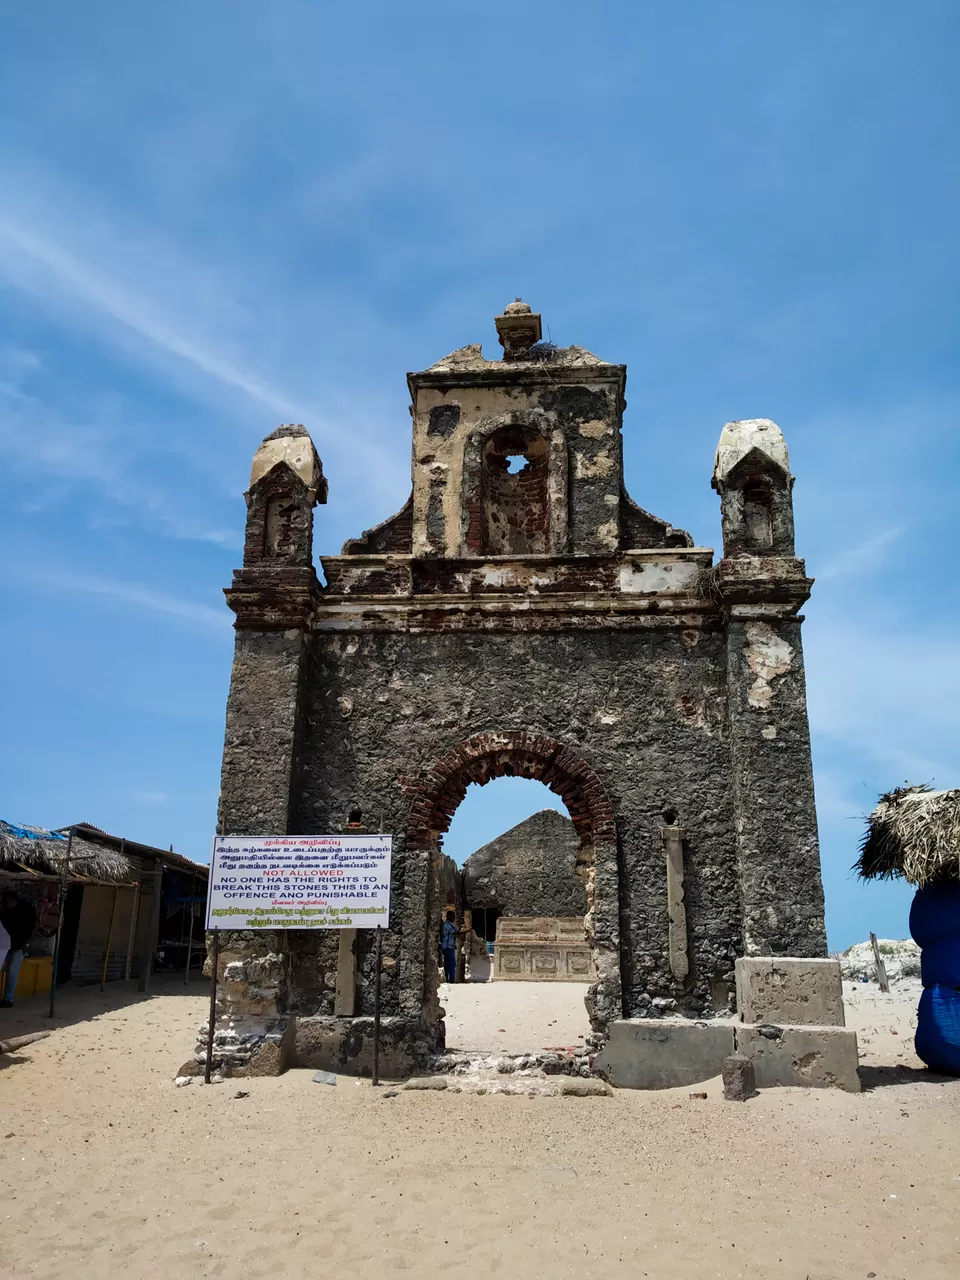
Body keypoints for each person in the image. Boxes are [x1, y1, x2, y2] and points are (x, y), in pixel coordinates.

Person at [0, 889, 38, 1008]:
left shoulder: (26, 909)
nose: (5, 904)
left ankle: (8, 999)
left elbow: (36, 926)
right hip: (6, 945)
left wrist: (27, 944)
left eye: (6, 902)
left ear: (12, 901)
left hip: (19, 946)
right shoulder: (6, 911)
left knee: (12, 972)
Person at [440, 911, 458, 985]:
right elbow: (454, 932)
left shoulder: (450, 924)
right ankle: (451, 980)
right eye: (452, 916)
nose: (454, 918)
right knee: (452, 964)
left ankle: (448, 979)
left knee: (447, 963)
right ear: (448, 916)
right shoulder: (447, 924)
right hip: (447, 946)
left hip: (450, 946)